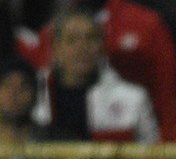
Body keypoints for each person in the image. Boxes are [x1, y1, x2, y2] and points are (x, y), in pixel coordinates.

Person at [34, 8, 159, 147]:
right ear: (56, 48)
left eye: (90, 38)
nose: (82, 48)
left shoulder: (133, 99)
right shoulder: (33, 93)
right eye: (72, 40)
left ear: (101, 46)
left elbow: (151, 153)